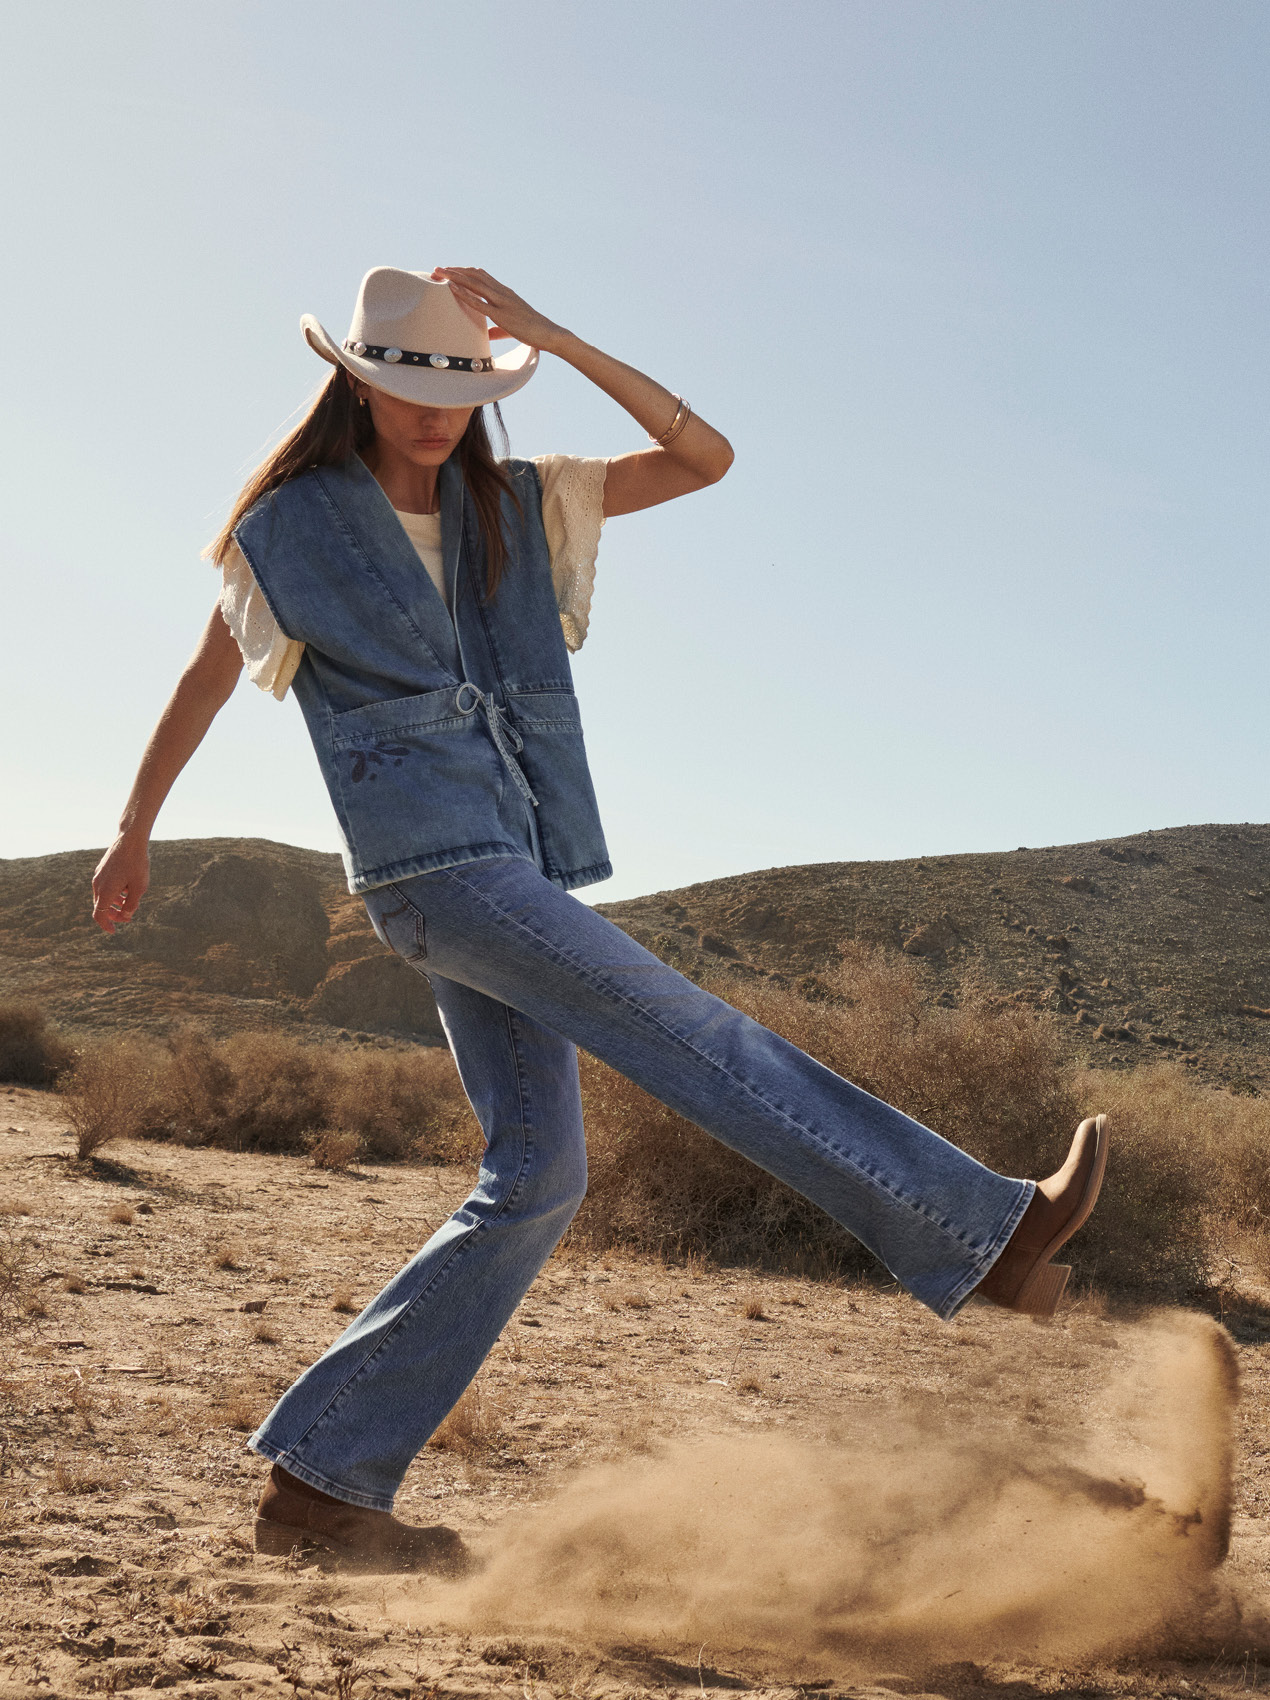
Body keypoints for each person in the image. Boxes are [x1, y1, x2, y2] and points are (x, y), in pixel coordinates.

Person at [91, 265, 1108, 1573]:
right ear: (355, 379)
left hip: (508, 866)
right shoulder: (289, 525)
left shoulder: (521, 505)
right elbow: (202, 677)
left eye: (461, 384)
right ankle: (989, 1231)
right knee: (702, 1040)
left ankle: (323, 1487)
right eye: (406, 383)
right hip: (431, 869)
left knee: (538, 1178)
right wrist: (134, 827)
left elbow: (704, 457)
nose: (432, 410)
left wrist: (559, 338)